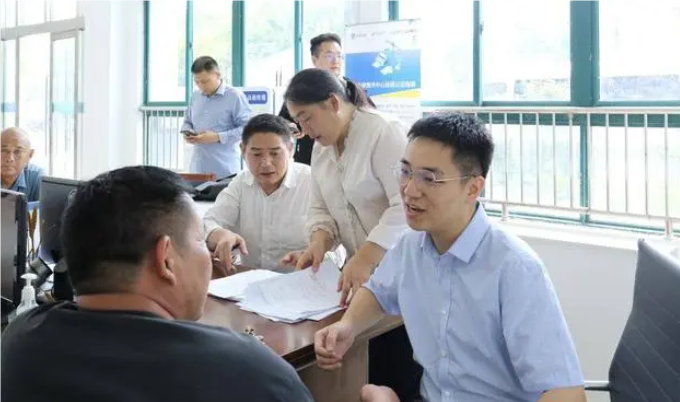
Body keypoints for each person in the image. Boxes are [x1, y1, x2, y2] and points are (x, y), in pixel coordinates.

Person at [314, 113, 586, 402]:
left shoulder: (515, 269)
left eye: (429, 178)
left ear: (473, 188)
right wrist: (348, 325)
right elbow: (378, 292)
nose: (409, 190)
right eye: (406, 172)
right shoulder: (410, 247)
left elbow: (566, 392)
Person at [0, 166, 313, 402]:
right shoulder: (253, 374)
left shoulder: (20, 341)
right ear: (166, 259)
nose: (207, 256)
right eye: (200, 241)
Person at [282, 68, 422, 401]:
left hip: (406, 274)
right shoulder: (322, 148)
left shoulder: (383, 132)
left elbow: (405, 206)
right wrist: (318, 242)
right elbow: (321, 208)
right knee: (370, 368)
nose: (305, 130)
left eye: (307, 118)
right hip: (362, 284)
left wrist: (366, 257)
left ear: (333, 103)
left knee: (404, 371)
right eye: (298, 122)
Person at [203, 114, 316, 273]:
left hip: (303, 281)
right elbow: (209, 222)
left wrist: (313, 257)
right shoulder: (241, 183)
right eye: (256, 154)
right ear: (243, 150)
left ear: (290, 149)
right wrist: (219, 234)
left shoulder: (311, 182)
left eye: (275, 153)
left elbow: (337, 248)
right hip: (251, 281)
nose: (266, 163)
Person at [279, 32, 374, 165]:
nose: (336, 61)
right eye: (329, 56)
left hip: (351, 159)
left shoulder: (353, 89)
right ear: (314, 60)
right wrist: (291, 127)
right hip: (310, 160)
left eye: (339, 56)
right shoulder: (300, 90)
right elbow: (281, 122)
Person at [181, 56, 252, 178]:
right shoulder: (195, 96)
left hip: (225, 170)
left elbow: (247, 130)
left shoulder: (235, 96)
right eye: (197, 82)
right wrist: (187, 132)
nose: (201, 86)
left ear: (218, 75)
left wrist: (217, 137)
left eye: (205, 81)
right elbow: (187, 121)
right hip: (198, 169)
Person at [0, 127, 44, 202]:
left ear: (30, 155)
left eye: (17, 151)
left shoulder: (37, 177)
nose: (10, 158)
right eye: (4, 150)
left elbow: (44, 209)